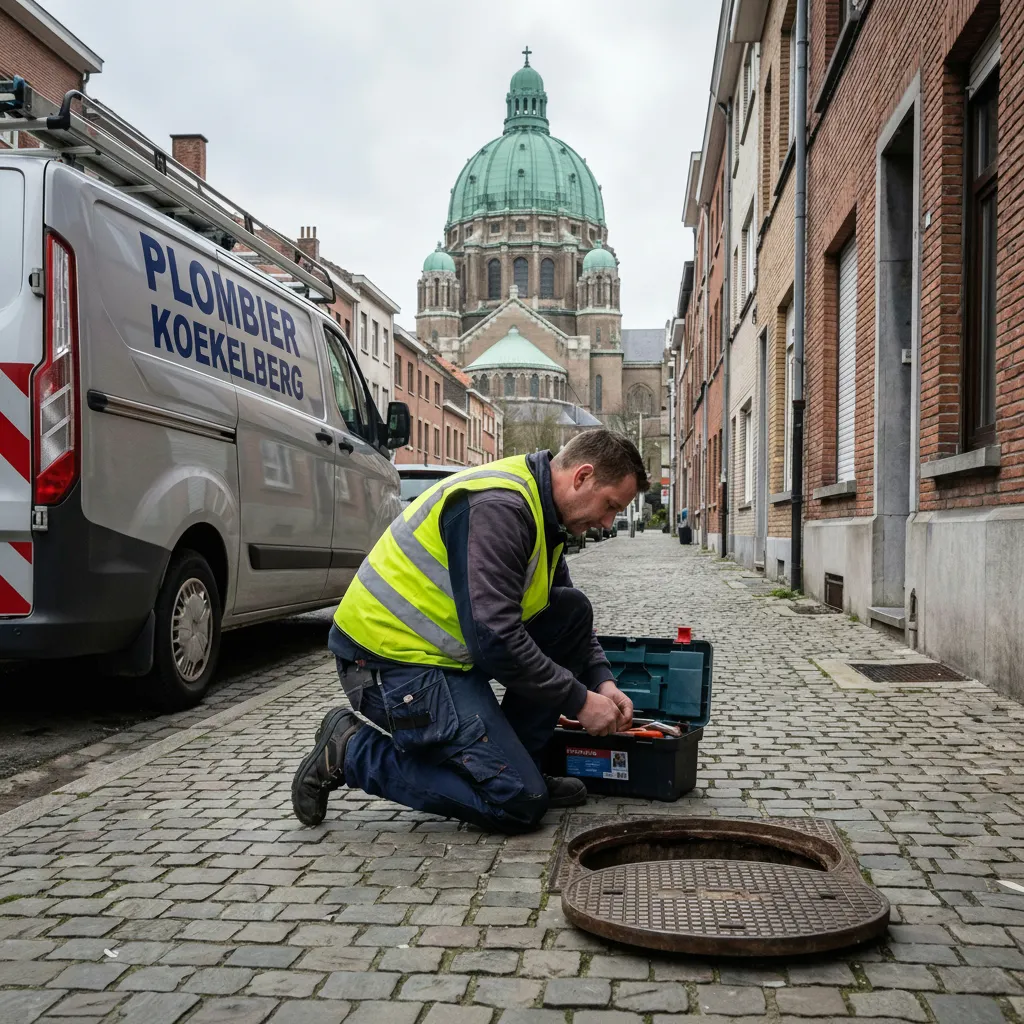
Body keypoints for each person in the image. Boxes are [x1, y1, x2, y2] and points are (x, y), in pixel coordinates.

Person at [291, 429, 648, 835]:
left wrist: (601, 681)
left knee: (571, 610)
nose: (607, 522)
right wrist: (579, 701)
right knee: (518, 802)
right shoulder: (500, 507)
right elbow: (495, 638)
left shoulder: (543, 510)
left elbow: (562, 611)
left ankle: (519, 764)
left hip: (447, 657)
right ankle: (351, 751)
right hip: (390, 665)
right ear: (582, 476)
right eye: (610, 506)